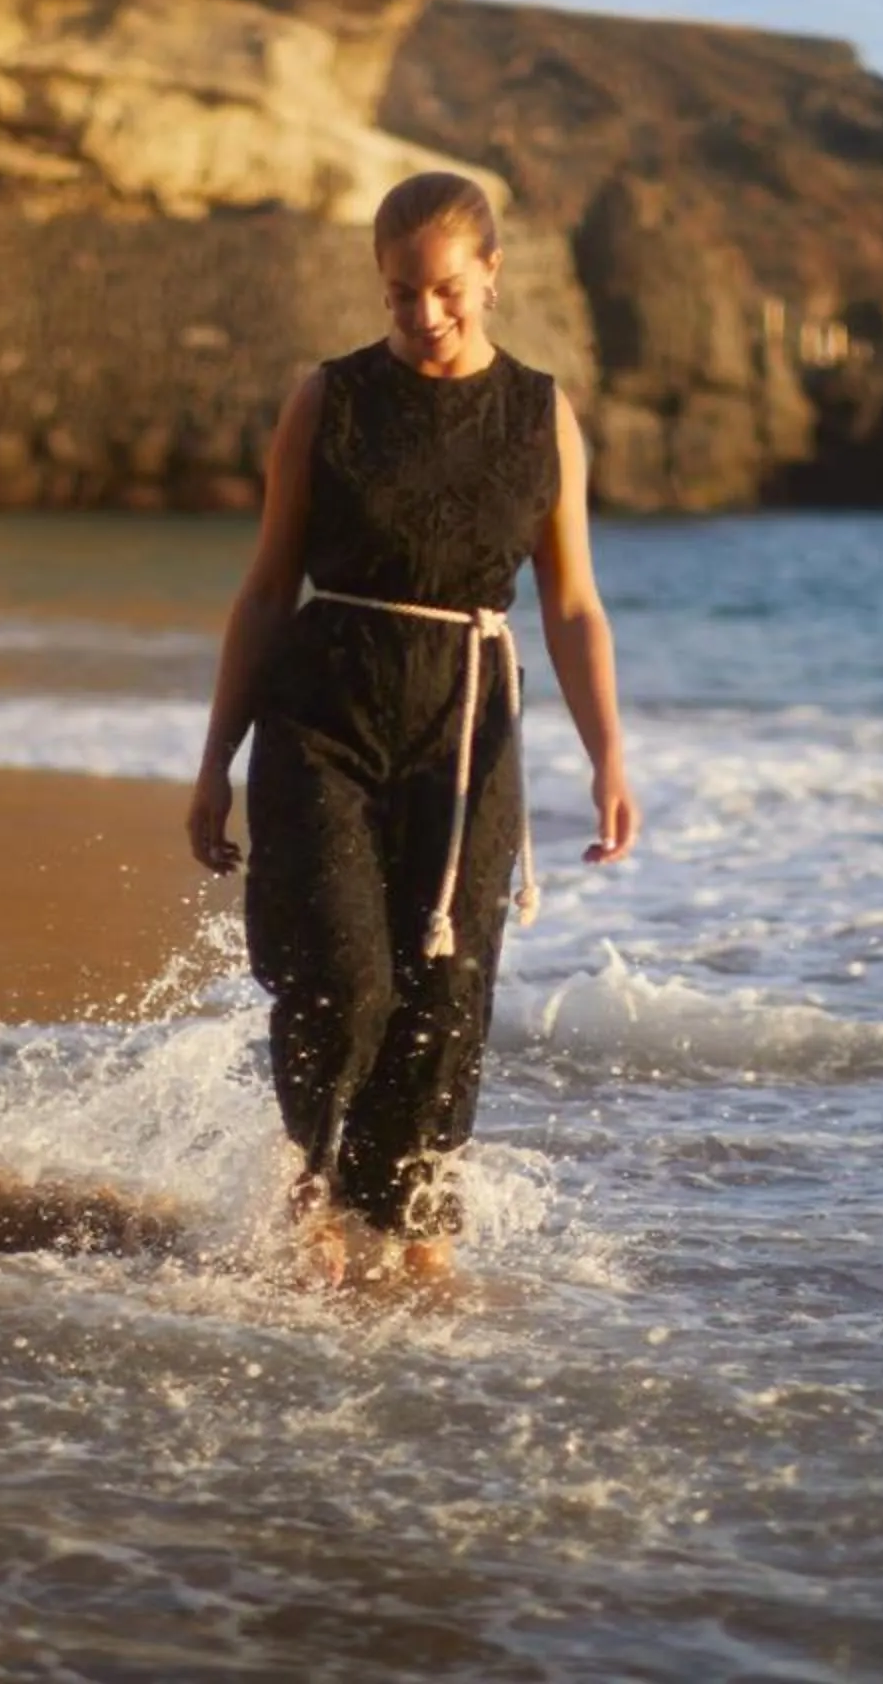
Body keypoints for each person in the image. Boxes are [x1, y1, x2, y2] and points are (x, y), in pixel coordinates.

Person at [187, 171, 640, 1288]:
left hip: (467, 721)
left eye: (444, 290)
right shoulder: (328, 399)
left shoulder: (541, 414)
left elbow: (573, 603)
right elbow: (263, 588)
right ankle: (314, 1186)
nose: (424, 315)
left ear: (491, 275)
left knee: (445, 990)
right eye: (399, 294)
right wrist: (216, 760)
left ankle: (416, 1217)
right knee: (342, 972)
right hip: (324, 712)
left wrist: (608, 755)